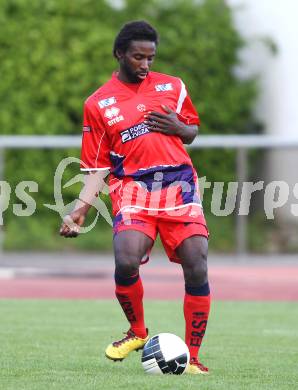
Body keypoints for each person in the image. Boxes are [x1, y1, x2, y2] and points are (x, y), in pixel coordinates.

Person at [60, 20, 211, 374]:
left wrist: (180, 128)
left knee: (197, 262)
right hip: (132, 187)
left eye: (150, 58)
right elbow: (97, 165)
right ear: (120, 55)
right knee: (126, 258)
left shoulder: (172, 86)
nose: (145, 65)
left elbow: (191, 130)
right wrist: (80, 208)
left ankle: (193, 356)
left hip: (179, 184)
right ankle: (138, 331)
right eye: (138, 57)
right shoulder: (97, 103)